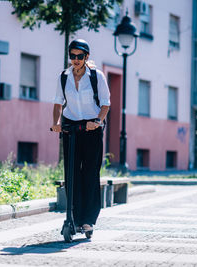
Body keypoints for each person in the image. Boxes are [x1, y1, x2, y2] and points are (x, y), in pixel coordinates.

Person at [51, 39, 110, 232]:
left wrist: (98, 122)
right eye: (73, 56)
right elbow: (58, 103)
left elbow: (105, 104)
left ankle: (88, 220)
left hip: (91, 127)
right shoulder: (63, 77)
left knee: (90, 173)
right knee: (72, 174)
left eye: (80, 56)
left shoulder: (96, 76)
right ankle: (74, 218)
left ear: (86, 57)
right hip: (71, 128)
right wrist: (57, 123)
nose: (76, 60)